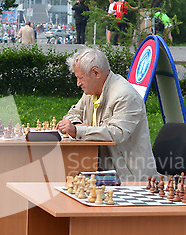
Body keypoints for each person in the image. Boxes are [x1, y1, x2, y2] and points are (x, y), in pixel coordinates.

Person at [56, 48, 155, 182]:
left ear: (95, 72)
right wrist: (76, 125)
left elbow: (117, 133)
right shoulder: (92, 92)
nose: (78, 83)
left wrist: (78, 131)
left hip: (129, 177)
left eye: (80, 78)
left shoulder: (125, 95)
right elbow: (73, 113)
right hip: (102, 168)